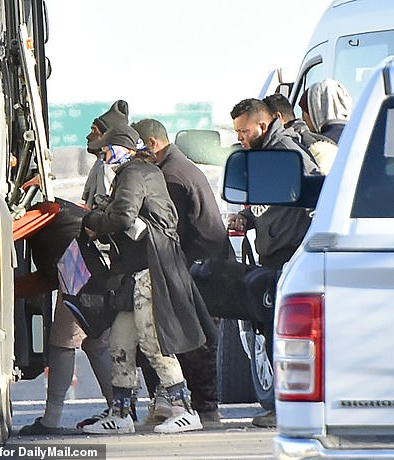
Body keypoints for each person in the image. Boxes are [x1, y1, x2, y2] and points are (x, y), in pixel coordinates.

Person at [81, 123, 217, 434]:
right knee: (120, 343)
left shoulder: (134, 173)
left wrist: (92, 221)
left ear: (121, 148)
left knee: (153, 342)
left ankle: (185, 410)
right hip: (138, 271)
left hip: (148, 271)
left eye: (105, 150)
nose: (103, 156)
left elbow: (123, 217)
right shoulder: (141, 171)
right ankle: (121, 414)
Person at [18, 102, 129, 436]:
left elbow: (19, 230)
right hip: (88, 268)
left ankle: (53, 419)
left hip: (82, 269)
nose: (88, 136)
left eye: (95, 131)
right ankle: (120, 412)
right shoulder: (57, 206)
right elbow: (42, 278)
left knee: (64, 342)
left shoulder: (43, 209)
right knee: (95, 342)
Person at [131, 118, 234, 427]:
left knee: (197, 342)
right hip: (204, 265)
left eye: (137, 148)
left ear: (151, 145)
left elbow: (170, 231)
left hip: (201, 268)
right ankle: (192, 406)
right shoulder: (176, 167)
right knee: (192, 338)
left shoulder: (171, 176)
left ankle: (204, 409)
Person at [227, 98, 319, 427]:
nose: (240, 136)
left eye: (243, 130)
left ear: (262, 126)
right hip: (271, 255)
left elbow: (314, 194)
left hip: (289, 255)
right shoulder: (263, 155)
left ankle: (286, 409)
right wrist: (245, 218)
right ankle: (283, 407)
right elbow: (266, 204)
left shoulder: (287, 153)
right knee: (269, 330)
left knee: (281, 334)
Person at [263, 93, 337, 174]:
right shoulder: (321, 141)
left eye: (264, 123)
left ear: (278, 117)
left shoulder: (289, 147)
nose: (264, 129)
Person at [299, 79, 352, 144]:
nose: (303, 118)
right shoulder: (359, 135)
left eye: (304, 111)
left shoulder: (316, 145)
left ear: (315, 111)